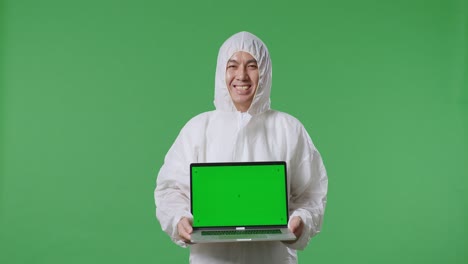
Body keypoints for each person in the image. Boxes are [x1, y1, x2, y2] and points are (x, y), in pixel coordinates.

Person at [154, 31, 328, 264]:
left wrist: (301, 221)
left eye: (252, 66)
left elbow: (311, 194)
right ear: (221, 71)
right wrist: (179, 220)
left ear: (264, 71)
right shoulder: (198, 128)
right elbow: (170, 190)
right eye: (233, 65)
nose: (242, 76)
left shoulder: (288, 128)